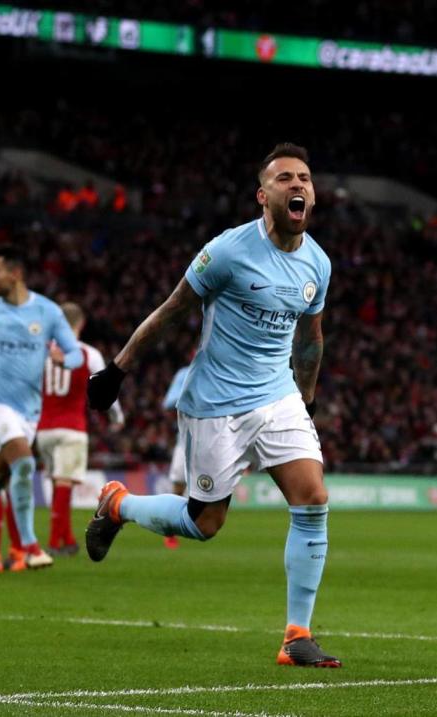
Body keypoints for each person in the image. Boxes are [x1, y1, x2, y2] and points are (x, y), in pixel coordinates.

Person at [86, 143, 340, 668]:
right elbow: (173, 310)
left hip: (277, 396)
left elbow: (310, 338)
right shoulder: (226, 252)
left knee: (313, 499)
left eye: (305, 179)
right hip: (216, 403)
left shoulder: (318, 262)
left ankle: (297, 636)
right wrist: (118, 368)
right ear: (262, 195)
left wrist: (307, 401)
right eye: (285, 178)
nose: (298, 185)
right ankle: (118, 504)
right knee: (204, 524)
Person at [0, 246, 84, 570]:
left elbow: (75, 353)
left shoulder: (48, 312)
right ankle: (30, 546)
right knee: (23, 464)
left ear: (15, 274)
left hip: (29, 412)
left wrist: (65, 360)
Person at [37, 302, 124, 556]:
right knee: (65, 483)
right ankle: (54, 542)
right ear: (81, 324)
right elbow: (104, 388)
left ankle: (67, 537)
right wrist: (117, 417)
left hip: (44, 429)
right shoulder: (87, 353)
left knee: (57, 483)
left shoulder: (44, 353)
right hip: (71, 427)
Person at [160, 361, 191, 549]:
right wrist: (192, 392)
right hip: (185, 440)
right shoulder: (184, 374)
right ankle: (169, 531)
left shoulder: (223, 371)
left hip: (214, 440)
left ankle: (194, 525)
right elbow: (168, 401)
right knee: (178, 485)